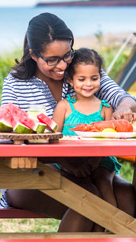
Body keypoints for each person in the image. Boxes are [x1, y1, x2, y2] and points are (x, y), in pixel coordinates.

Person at [0, 12, 136, 232]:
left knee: (126, 194)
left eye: (67, 55)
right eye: (52, 60)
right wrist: (64, 160)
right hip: (30, 174)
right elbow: (10, 135)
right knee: (88, 199)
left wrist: (123, 109)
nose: (62, 66)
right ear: (33, 55)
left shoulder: (82, 71)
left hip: (87, 170)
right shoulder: (16, 83)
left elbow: (124, 98)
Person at [52, 48, 122, 228]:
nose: (88, 84)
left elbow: (110, 141)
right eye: (81, 79)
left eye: (94, 78)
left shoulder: (106, 108)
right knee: (84, 192)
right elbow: (52, 138)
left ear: (100, 77)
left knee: (104, 183)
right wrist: (70, 164)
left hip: (101, 161)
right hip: (68, 162)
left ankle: (108, 230)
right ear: (70, 79)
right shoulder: (64, 107)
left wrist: (94, 160)